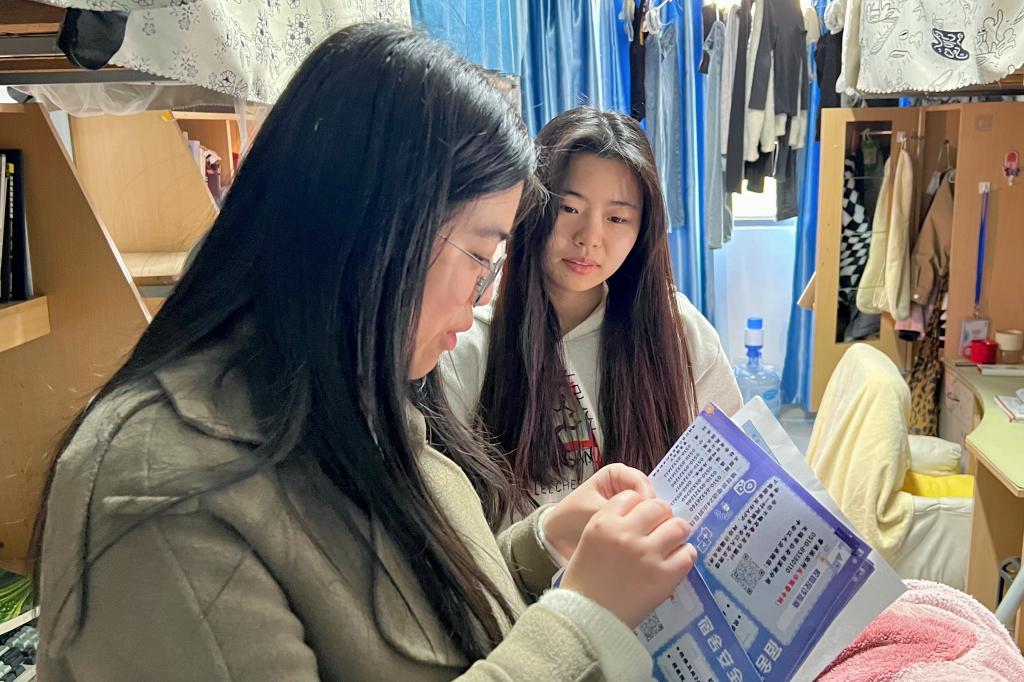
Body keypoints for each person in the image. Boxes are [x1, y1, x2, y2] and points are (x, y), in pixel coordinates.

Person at [33, 25, 697, 681]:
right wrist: (582, 621)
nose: (477, 301)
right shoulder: (166, 492)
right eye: (479, 257)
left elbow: (416, 617)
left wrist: (541, 545)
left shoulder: (361, 397)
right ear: (381, 232)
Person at [442, 107, 742, 520]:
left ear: (642, 230)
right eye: (569, 208)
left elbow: (734, 476)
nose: (590, 238)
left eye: (617, 217)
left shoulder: (679, 332)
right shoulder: (466, 344)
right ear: (530, 207)